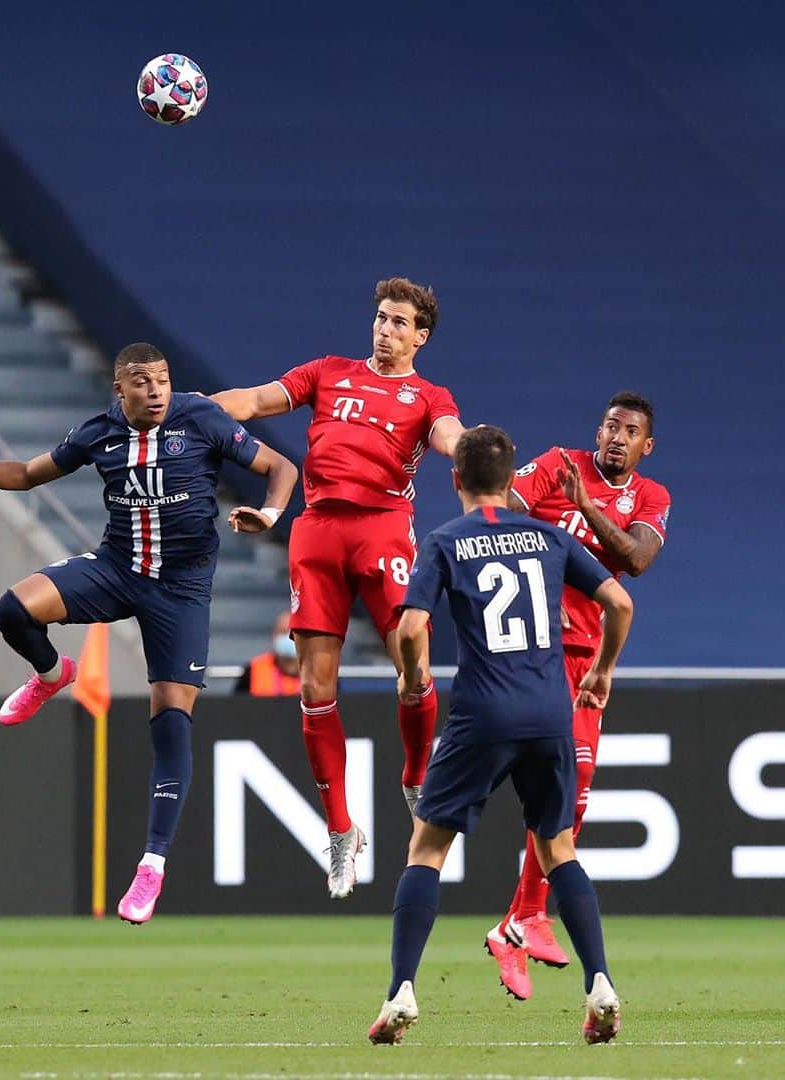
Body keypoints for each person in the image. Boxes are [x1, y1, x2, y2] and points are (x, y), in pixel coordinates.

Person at [0, 342, 297, 924]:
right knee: (12, 610)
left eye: (162, 379)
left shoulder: (201, 418)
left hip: (181, 590)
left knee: (170, 723)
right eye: (143, 382)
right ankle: (50, 674)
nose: (157, 390)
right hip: (116, 569)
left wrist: (270, 513)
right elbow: (24, 474)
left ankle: (152, 866)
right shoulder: (98, 433)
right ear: (121, 389)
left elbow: (281, 467)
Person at [366, 426, 632, 1047]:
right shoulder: (549, 536)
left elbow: (410, 628)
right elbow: (619, 602)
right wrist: (601, 670)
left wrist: (413, 678)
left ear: (454, 478)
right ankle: (600, 985)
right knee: (558, 849)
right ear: (514, 482)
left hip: (482, 713)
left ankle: (401, 991)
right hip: (548, 712)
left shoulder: (444, 541)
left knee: (426, 850)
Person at [212, 277, 465, 899]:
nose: (386, 329)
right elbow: (256, 400)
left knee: (415, 664)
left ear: (420, 337)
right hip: (319, 531)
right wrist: (189, 409)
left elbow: (450, 437)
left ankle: (414, 776)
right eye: (381, 318)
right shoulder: (328, 373)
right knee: (315, 685)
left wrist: (472, 449)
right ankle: (341, 832)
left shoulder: (428, 395)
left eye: (400, 322)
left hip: (383, 533)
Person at [484, 391, 671, 1000]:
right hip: (532, 650)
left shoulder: (650, 497)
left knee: (574, 796)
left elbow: (637, 560)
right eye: (611, 425)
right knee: (546, 786)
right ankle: (522, 918)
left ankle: (519, 918)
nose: (617, 436)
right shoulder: (560, 462)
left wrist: (587, 509)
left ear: (647, 445)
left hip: (588, 661)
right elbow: (503, 505)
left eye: (631, 430)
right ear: (598, 430)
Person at [234, 611, 301, 696]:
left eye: (294, 633)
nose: (289, 638)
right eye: (283, 632)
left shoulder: (318, 671)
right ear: (274, 636)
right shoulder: (253, 670)